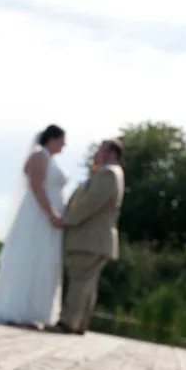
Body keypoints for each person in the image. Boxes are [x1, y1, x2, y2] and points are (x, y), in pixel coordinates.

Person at [0, 124, 67, 328]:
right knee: (29, 257)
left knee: (43, 261)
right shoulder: (40, 156)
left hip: (47, 222)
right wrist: (51, 213)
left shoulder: (49, 159)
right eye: (62, 139)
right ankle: (16, 311)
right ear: (52, 138)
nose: (64, 144)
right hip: (37, 217)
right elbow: (35, 185)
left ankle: (33, 311)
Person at [49, 139, 125, 335]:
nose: (96, 153)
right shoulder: (109, 173)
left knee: (80, 281)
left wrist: (67, 219)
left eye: (101, 149)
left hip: (90, 239)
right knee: (87, 284)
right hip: (97, 241)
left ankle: (67, 323)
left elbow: (92, 202)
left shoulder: (108, 173)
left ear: (112, 154)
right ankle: (79, 324)